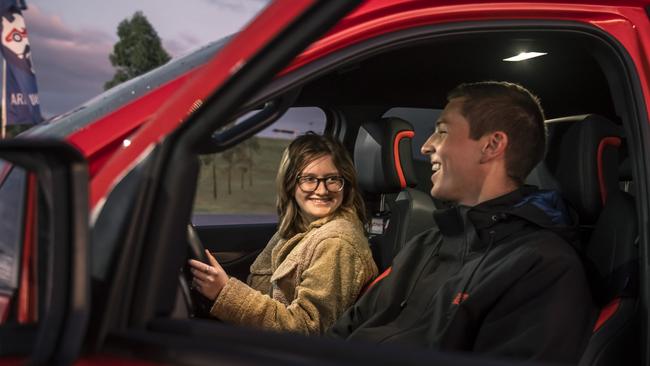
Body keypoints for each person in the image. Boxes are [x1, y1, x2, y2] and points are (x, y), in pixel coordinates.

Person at [328, 81, 594, 363]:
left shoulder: (544, 267)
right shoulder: (426, 244)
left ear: (492, 145)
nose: (426, 146)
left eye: (442, 132)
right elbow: (344, 332)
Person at [189, 133, 378, 335]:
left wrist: (225, 292)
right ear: (290, 184)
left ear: (345, 184)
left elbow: (307, 329)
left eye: (332, 179)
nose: (322, 190)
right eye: (309, 179)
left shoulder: (337, 242)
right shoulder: (297, 228)